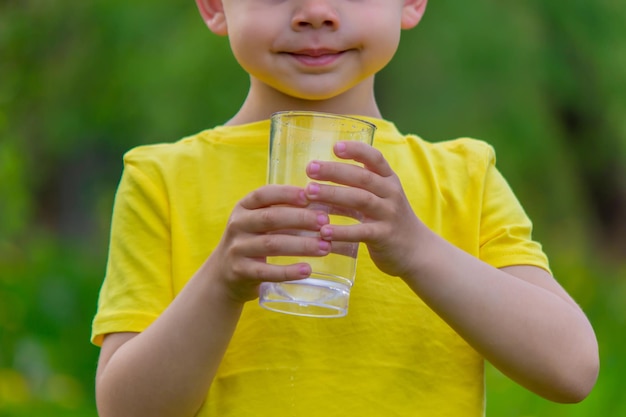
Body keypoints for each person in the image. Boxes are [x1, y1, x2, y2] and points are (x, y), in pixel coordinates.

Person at [91, 0, 599, 416]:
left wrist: (417, 250)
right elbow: (126, 410)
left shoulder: (464, 176)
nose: (316, 12)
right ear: (213, 6)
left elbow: (571, 368)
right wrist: (220, 284)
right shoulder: (160, 178)